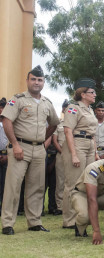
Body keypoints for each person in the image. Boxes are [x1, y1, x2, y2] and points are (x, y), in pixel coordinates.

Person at [1, 66, 59, 235]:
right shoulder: (17, 99)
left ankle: (34, 221)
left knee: (37, 187)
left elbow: (54, 123)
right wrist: (15, 144)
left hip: (39, 149)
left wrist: (42, 140)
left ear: (43, 82)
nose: (36, 82)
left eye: (40, 80)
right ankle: (7, 223)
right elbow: (6, 121)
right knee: (13, 186)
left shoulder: (47, 103)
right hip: (20, 147)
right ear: (27, 81)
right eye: (33, 79)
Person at [62, 78, 100, 230]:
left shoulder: (90, 109)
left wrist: (96, 152)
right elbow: (67, 130)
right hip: (77, 144)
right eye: (92, 92)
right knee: (73, 183)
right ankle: (69, 220)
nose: (95, 95)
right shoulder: (73, 108)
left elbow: (92, 134)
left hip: (89, 144)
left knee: (87, 183)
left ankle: (82, 217)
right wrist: (73, 154)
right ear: (83, 94)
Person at [52, 100, 70, 216]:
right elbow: (55, 140)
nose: (67, 110)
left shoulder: (75, 123)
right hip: (60, 155)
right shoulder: (58, 123)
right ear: (63, 109)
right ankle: (59, 206)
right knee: (60, 181)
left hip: (72, 156)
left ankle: (69, 206)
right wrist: (62, 152)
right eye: (65, 108)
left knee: (71, 181)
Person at [0, 99, 8, 214]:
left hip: (7, 155)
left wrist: (6, 154)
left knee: (5, 183)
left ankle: (4, 206)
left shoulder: (11, 123)